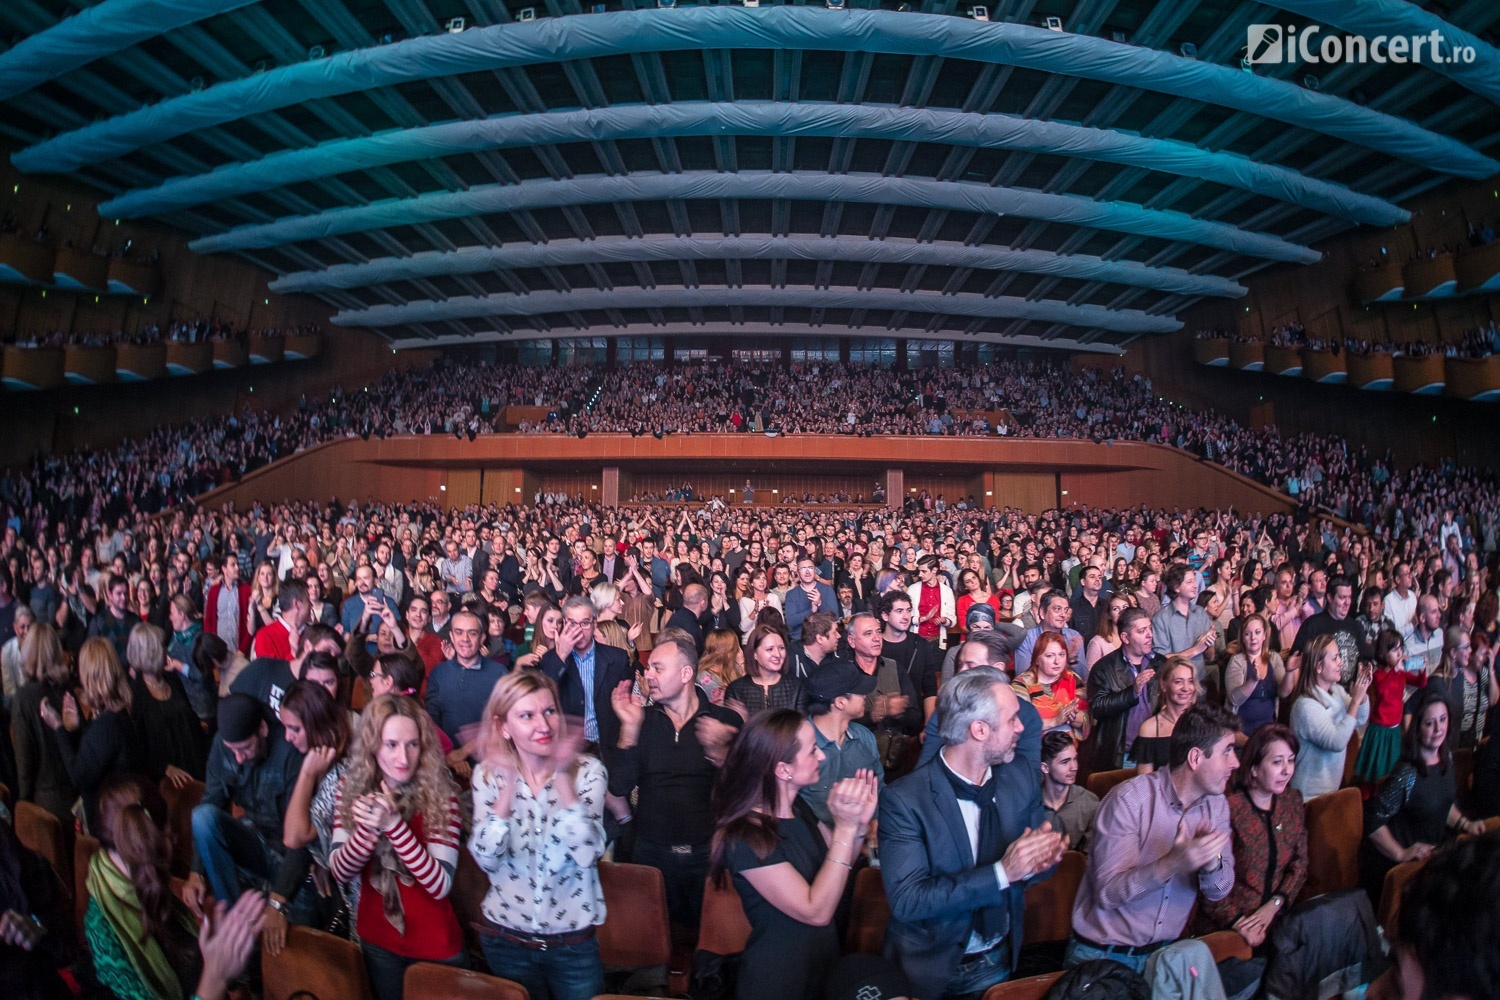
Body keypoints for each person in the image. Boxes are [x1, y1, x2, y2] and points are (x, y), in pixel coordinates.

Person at [880, 667, 1065, 999]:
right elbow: (908, 900)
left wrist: (1041, 862)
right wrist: (1002, 872)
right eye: (1012, 720)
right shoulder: (906, 800)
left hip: (997, 955)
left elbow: (1028, 869)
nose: (1021, 728)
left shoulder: (1020, 778)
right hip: (929, 966)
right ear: (979, 729)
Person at [709, 709, 879, 1000]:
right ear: (782, 769)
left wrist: (859, 826)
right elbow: (816, 911)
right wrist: (845, 828)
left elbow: (837, 868)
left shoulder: (799, 808)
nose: (821, 756)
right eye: (812, 750)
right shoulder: (746, 837)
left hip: (820, 962)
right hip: (779, 978)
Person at [1067, 704, 1240, 973]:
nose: (1236, 762)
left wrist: (1212, 864)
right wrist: (1171, 864)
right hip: (1104, 956)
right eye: (1227, 751)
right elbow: (1107, 894)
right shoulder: (1129, 800)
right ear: (1196, 758)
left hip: (1164, 956)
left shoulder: (1216, 805)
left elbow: (1219, 890)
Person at [469, 672, 607, 1000]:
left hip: (571, 944)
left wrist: (560, 776)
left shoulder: (588, 771)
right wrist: (506, 788)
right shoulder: (487, 775)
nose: (543, 725)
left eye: (549, 711)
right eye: (527, 715)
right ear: (503, 726)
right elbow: (486, 859)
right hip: (506, 940)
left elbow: (587, 853)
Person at [330, 695, 464, 1000]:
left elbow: (439, 885)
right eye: (391, 744)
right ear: (373, 745)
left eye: (412, 744)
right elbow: (340, 871)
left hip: (435, 945)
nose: (403, 757)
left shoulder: (442, 795)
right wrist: (368, 829)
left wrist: (393, 825)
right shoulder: (350, 787)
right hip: (378, 938)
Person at [607, 629, 740, 927]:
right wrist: (629, 730)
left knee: (708, 937)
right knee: (652, 937)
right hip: (652, 855)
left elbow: (745, 791)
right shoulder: (642, 721)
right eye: (648, 668)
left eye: (658, 668)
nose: (648, 675)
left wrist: (722, 755)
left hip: (707, 853)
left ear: (685, 674)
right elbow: (619, 786)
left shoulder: (723, 721)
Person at [1360, 687, 1485, 903]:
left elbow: (1443, 804)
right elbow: (1372, 821)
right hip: (1402, 871)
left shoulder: (1446, 758)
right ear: (1417, 727)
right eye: (1429, 723)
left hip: (1431, 861)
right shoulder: (1407, 773)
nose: (1438, 729)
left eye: (1443, 720)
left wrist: (1465, 824)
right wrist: (1401, 853)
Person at [85, 776, 203, 1000]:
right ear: (152, 842)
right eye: (169, 835)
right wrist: (215, 978)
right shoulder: (102, 930)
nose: (174, 839)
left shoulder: (145, 880)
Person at [1194, 723, 1307, 949]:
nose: (1287, 770)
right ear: (1254, 768)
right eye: (1277, 762)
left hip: (1277, 919)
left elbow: (1300, 864)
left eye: (1291, 760)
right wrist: (1240, 923)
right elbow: (1209, 884)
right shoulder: (1229, 810)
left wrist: (1275, 904)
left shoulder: (1292, 801)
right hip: (1228, 928)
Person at [186, 693, 303, 909]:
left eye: (246, 748)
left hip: (290, 853)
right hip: (254, 839)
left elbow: (302, 836)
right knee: (202, 817)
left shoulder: (289, 750)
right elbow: (212, 801)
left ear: (263, 729)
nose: (239, 758)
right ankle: (231, 913)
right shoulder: (222, 745)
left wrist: (278, 900)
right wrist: (196, 872)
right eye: (233, 750)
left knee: (301, 919)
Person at [265, 679, 355, 955]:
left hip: (360, 896)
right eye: (285, 728)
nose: (287, 737)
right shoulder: (316, 759)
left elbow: (294, 837)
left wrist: (306, 773)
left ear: (317, 724)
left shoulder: (341, 770)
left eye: (295, 729)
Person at [40, 637, 141, 831]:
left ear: (90, 676)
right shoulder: (120, 712)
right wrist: (77, 727)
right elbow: (95, 757)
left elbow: (79, 776)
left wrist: (58, 727)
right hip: (122, 817)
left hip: (113, 827)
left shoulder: (107, 725)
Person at [539, 596, 630, 750]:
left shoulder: (617, 658)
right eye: (572, 623)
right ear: (564, 624)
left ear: (594, 624)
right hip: (568, 748)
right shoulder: (550, 659)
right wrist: (561, 655)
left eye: (585, 623)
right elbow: (542, 696)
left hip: (607, 746)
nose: (578, 630)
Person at [801, 659, 884, 827]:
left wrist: (874, 824)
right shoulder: (801, 746)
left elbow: (879, 788)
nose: (865, 695)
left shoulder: (865, 737)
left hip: (864, 836)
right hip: (818, 841)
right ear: (840, 702)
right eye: (860, 692)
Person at [424, 608, 508, 773]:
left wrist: (463, 752)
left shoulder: (499, 674)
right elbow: (431, 724)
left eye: (472, 633)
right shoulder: (438, 673)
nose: (465, 639)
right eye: (459, 632)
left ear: (482, 638)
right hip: (446, 764)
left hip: (491, 766)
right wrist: (450, 757)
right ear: (451, 636)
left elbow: (505, 724)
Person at [1288, 634, 1371, 799]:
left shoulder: (1336, 691)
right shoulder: (1305, 706)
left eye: (1339, 656)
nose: (1341, 662)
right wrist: (1355, 700)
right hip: (1308, 795)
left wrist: (1362, 695)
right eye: (1335, 658)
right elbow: (1337, 741)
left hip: (1330, 789)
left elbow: (1360, 719)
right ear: (1319, 667)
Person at [11, 622, 77, 824]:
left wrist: (23, 805)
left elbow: (24, 762)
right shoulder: (66, 689)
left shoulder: (23, 698)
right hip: (75, 794)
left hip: (46, 805)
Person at [126, 623, 205, 787]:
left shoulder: (171, 678)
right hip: (170, 782)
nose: (166, 650)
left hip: (195, 762)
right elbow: (138, 746)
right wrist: (164, 768)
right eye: (162, 647)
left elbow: (190, 715)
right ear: (150, 654)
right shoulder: (135, 694)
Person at [1086, 608, 1165, 771]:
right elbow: (1097, 708)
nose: (1150, 635)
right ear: (1125, 637)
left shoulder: (1161, 663)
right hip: (1123, 755)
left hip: (1157, 749)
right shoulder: (1104, 668)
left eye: (1150, 628)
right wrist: (1132, 692)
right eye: (1142, 631)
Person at [1354, 629, 1427, 784]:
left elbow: (1420, 683)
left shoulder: (1400, 674)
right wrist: (1396, 669)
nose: (1400, 653)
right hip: (1379, 731)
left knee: (1392, 770)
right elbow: (1383, 690)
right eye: (1395, 650)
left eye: (1401, 648)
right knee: (1375, 769)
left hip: (1395, 729)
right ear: (1384, 653)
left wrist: (1422, 670)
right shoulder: (1379, 674)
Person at [1150, 565, 1218, 697]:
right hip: (1175, 688)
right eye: (1189, 582)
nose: (1195, 585)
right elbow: (1162, 660)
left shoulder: (1200, 613)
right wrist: (1196, 649)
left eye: (1194, 581)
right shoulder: (1161, 618)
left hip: (1199, 684)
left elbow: (1210, 656)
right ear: (1177, 587)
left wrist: (1209, 643)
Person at [1223, 613, 1295, 737]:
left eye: (1257, 632)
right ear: (1242, 638)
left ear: (1264, 635)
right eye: (1247, 634)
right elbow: (1235, 699)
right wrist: (1253, 680)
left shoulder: (1274, 658)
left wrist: (1289, 672)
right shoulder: (1237, 661)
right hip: (1241, 732)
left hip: (1268, 730)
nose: (1253, 638)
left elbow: (1283, 693)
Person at [1011, 630, 1086, 739]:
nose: (1057, 661)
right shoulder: (1021, 684)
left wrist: (1073, 717)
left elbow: (1088, 718)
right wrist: (1054, 721)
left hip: (1071, 746)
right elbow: (1020, 724)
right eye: (1050, 656)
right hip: (1037, 747)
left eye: (1062, 655)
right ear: (1037, 659)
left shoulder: (1072, 678)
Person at [1130, 656, 1198, 775]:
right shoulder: (1149, 729)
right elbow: (1146, 781)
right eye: (1178, 682)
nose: (1186, 688)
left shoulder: (1203, 722)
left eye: (1190, 681)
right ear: (1163, 685)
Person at [726, 623, 809, 715]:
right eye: (770, 649)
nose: (777, 654)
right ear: (755, 654)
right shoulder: (736, 690)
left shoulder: (796, 687)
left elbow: (802, 723)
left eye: (781, 648)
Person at [1039, 731, 1099, 853]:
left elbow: (1090, 856)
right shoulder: (1027, 803)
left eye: (1075, 759)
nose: (1074, 767)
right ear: (1045, 767)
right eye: (1065, 762)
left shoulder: (1089, 802)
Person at [88, 573, 143, 664]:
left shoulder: (136, 621)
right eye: (119, 593)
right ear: (109, 595)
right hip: (107, 670)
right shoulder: (98, 621)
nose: (123, 598)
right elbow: (91, 652)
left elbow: (141, 650)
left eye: (126, 593)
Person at [905, 554, 956, 649]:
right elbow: (905, 617)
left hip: (938, 640)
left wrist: (945, 620)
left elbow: (952, 620)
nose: (920, 575)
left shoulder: (947, 591)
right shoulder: (912, 589)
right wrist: (921, 619)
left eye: (924, 571)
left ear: (934, 570)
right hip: (917, 638)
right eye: (919, 571)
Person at [1085, 593, 1130, 673]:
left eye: (1125, 607)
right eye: (1116, 609)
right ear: (1109, 615)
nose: (1121, 612)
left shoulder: (1136, 638)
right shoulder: (1097, 643)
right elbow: (1090, 676)